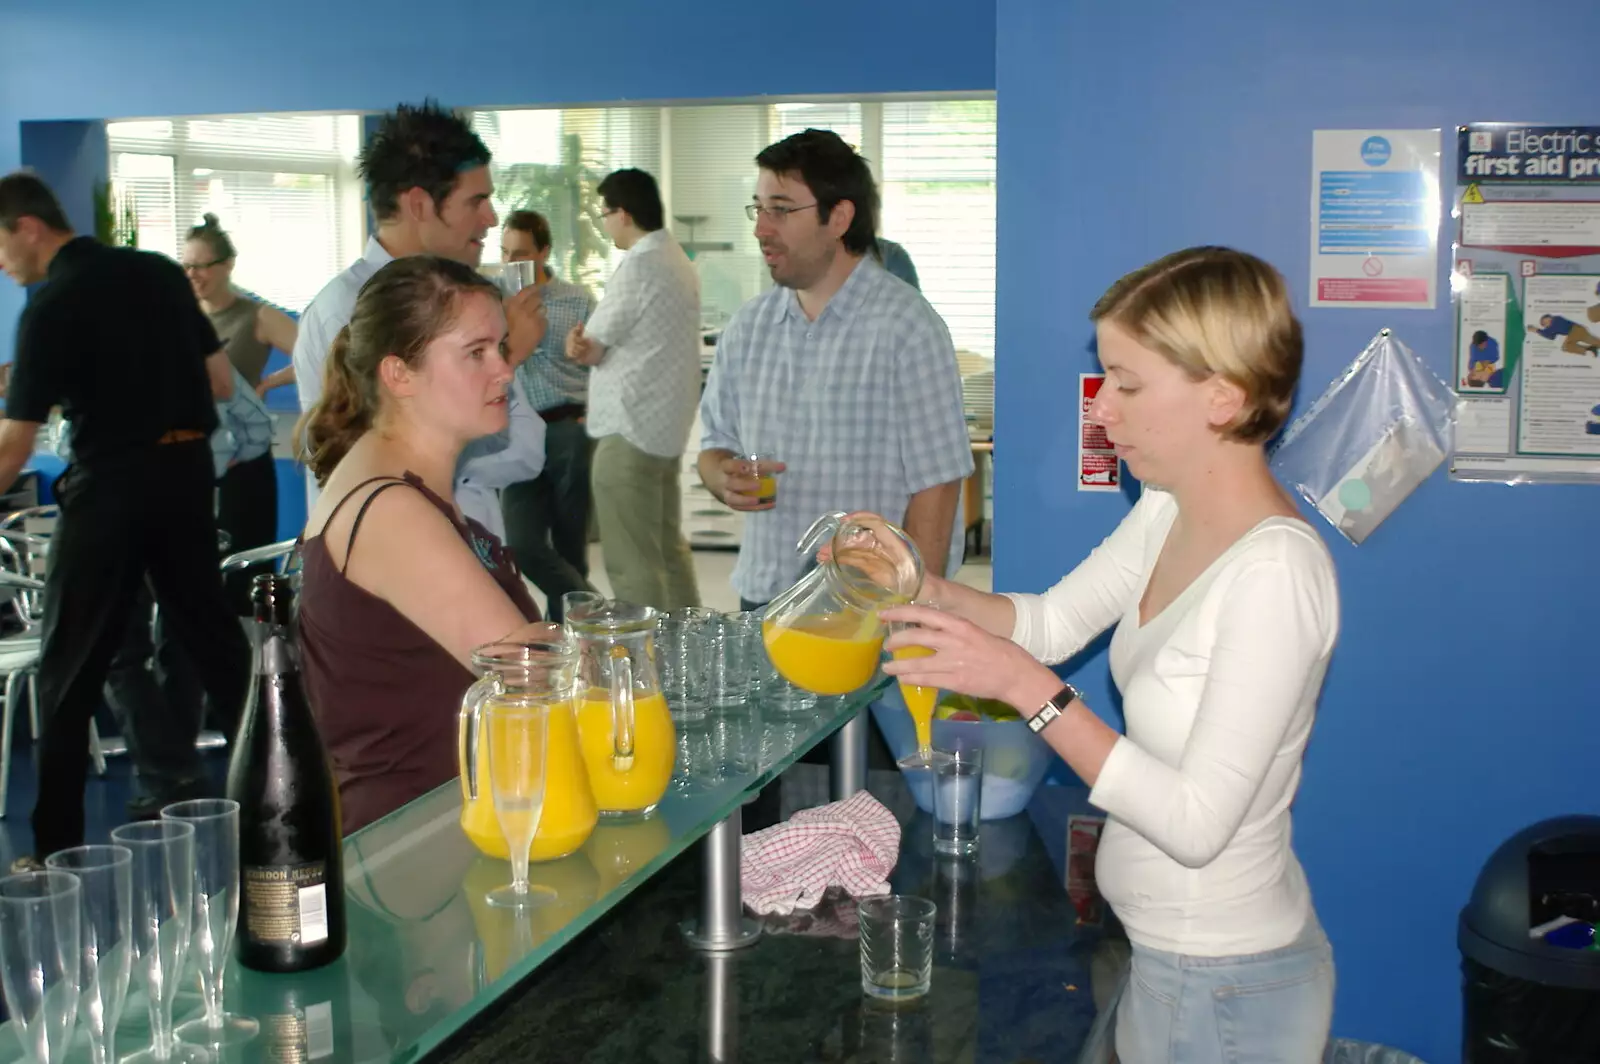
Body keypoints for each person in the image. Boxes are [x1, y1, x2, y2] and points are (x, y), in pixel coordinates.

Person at [881, 247, 1338, 1063]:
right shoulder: (1169, 508)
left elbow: (1196, 826)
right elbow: (1051, 621)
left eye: (1128, 384)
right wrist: (921, 586)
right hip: (1163, 954)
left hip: (1226, 981)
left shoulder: (1277, 575)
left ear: (1223, 398)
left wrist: (1032, 693)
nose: (1104, 412)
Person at [0, 171, 249, 866]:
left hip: (112, 485)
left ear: (27, 227)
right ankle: (284, 800)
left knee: (69, 666)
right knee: (217, 646)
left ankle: (51, 850)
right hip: (186, 474)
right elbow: (222, 381)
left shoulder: (49, 308)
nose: (0, 262)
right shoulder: (157, 274)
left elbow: (14, 447)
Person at [296, 255, 547, 833]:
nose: (506, 370)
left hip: (445, 825)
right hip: (416, 849)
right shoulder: (391, 513)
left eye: (503, 347)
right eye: (476, 352)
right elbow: (533, 679)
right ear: (398, 374)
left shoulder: (403, 487)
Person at [698, 129, 973, 613]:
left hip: (866, 607)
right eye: (758, 208)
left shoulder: (907, 327)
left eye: (781, 209)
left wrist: (909, 617)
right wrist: (723, 476)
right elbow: (713, 444)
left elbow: (939, 485)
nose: (762, 228)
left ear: (839, 217)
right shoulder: (749, 326)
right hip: (763, 597)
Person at [292, 100, 547, 539]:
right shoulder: (350, 311)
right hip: (399, 563)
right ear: (419, 205)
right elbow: (383, 465)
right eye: (476, 201)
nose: (490, 219)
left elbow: (527, 449)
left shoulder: (463, 302)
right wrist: (511, 353)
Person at [565, 169, 702, 612]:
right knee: (665, 550)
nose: (605, 226)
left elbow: (591, 347)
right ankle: (689, 653)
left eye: (605, 215)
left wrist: (577, 343)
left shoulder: (640, 264)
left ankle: (649, 668)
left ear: (622, 213)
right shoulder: (676, 259)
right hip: (661, 429)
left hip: (628, 428)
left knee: (632, 561)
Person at [183, 213, 289, 608]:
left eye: (202, 266)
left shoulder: (255, 316)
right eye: (187, 266)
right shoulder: (184, 316)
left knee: (243, 576)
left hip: (244, 465)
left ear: (226, 265)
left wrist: (268, 384)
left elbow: (322, 357)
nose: (193, 275)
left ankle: (255, 661)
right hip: (198, 461)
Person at [499, 209, 598, 621]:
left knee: (571, 545)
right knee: (520, 542)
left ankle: (569, 641)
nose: (511, 264)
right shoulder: (492, 301)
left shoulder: (578, 300)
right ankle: (594, 608)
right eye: (504, 253)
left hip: (567, 428)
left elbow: (602, 361)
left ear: (544, 252)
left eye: (521, 254)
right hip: (515, 428)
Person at [1528, 313, 1600, 356]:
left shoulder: (1556, 319)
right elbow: (1551, 336)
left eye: (1544, 322)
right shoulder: (1553, 325)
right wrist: (1537, 330)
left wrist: (1536, 330)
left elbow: (1550, 332)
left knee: (1565, 347)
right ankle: (1590, 348)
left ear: (1548, 317)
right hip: (1577, 331)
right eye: (1544, 325)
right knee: (1596, 342)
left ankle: (1589, 348)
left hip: (1576, 330)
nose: (1545, 325)